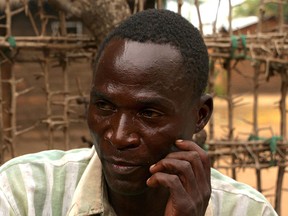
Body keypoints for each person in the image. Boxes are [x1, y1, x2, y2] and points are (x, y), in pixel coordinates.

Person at [0, 9, 277, 216]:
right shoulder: (24, 194)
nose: (119, 137)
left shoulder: (246, 210)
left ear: (200, 115)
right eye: (104, 106)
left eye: (148, 114)